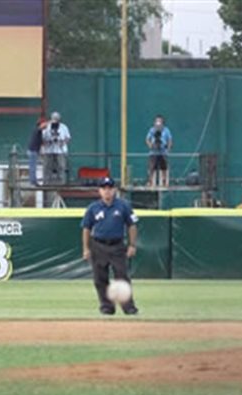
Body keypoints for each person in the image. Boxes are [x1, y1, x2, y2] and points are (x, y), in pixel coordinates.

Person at [81, 177, 139, 315]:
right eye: (104, 188)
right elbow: (86, 228)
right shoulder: (93, 208)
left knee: (122, 276)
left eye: (109, 188)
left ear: (114, 190)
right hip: (99, 245)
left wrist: (132, 245)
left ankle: (128, 307)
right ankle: (107, 306)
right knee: (100, 278)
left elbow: (132, 225)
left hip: (117, 245)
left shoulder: (123, 205)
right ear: (99, 191)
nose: (107, 191)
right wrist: (86, 248)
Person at [41, 111, 71, 184]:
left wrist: (62, 142)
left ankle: (62, 183)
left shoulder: (64, 127)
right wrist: (48, 142)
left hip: (60, 150)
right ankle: (46, 183)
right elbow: (42, 138)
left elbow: (68, 138)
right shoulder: (47, 126)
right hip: (48, 150)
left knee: (61, 166)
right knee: (47, 167)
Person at [145, 114, 173, 187]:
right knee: (151, 167)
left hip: (163, 152)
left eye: (160, 121)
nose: (158, 123)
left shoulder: (166, 130)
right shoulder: (152, 130)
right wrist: (151, 145)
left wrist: (168, 149)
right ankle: (150, 181)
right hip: (153, 152)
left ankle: (164, 181)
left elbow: (170, 140)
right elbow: (147, 139)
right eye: (157, 121)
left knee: (164, 167)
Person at [26, 116, 46, 186]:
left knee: (33, 166)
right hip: (33, 151)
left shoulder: (39, 132)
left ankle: (33, 181)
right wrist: (51, 122)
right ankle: (33, 181)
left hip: (34, 151)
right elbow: (41, 127)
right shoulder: (37, 130)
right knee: (33, 167)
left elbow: (41, 142)